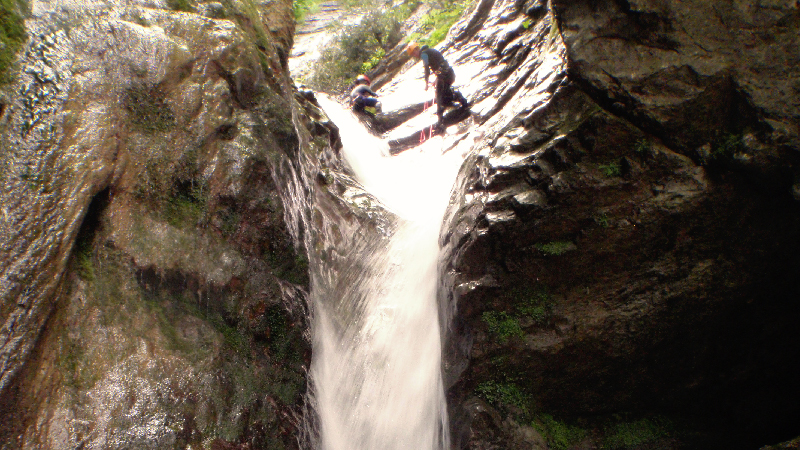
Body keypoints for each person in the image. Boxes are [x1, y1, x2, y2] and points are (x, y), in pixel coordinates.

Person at [405, 42, 468, 130]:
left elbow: (427, 70)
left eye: (413, 53)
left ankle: (441, 119)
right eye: (412, 55)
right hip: (448, 74)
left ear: (417, 49)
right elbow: (438, 63)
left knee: (440, 98)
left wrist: (426, 83)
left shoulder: (424, 54)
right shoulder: (428, 52)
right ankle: (456, 100)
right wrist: (436, 79)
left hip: (445, 75)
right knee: (442, 95)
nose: (414, 55)